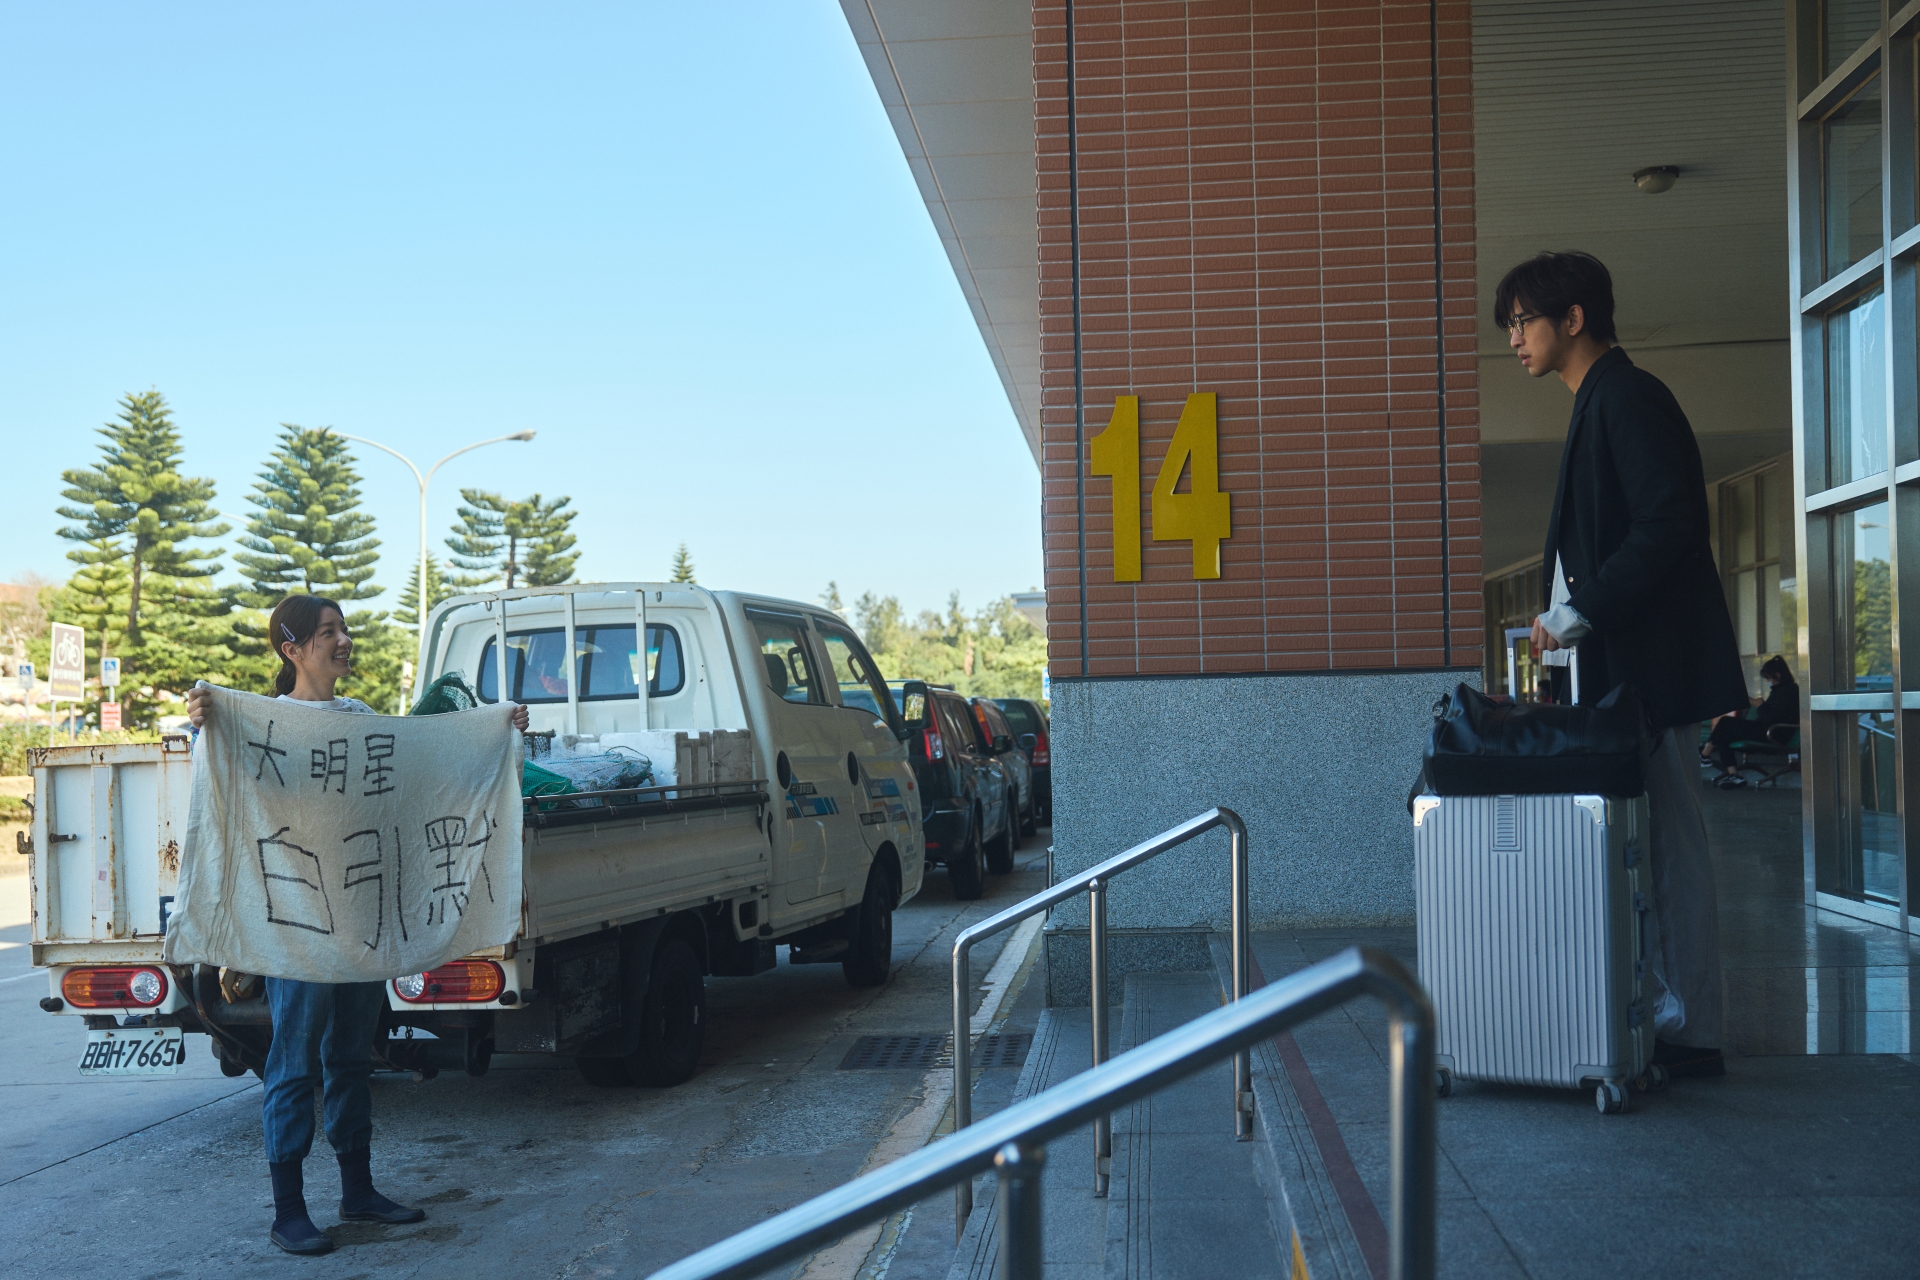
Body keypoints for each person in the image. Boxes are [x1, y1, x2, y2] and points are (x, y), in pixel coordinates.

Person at [186, 594, 528, 1255]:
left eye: (343, 628)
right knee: (292, 1064)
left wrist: (495, 727)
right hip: (300, 927)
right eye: (327, 632)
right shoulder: (266, 723)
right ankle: (289, 1211)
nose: (344, 639)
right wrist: (205, 720)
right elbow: (221, 768)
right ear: (291, 649)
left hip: (362, 920)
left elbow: (424, 773)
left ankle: (357, 1190)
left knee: (350, 1058)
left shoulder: (362, 720)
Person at [1498, 250, 1749, 1080]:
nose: (1513, 339)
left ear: (1573, 319)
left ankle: (1692, 1030)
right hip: (1629, 667)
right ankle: (1669, 1017)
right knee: (1651, 848)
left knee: (1670, 850)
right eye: (1508, 325)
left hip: (1655, 667)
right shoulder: (1600, 400)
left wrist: (1579, 610)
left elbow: (1668, 524)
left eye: (1523, 320)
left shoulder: (1628, 397)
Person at [1699, 655, 1799, 788]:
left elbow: (1771, 719)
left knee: (1724, 722)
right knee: (1723, 735)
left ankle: (1704, 755)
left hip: (1775, 732)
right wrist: (1760, 705)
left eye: (1769, 677)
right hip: (1767, 729)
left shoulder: (1788, 691)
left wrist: (1760, 706)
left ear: (1778, 675)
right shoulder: (1780, 691)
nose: (1768, 681)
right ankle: (1733, 775)